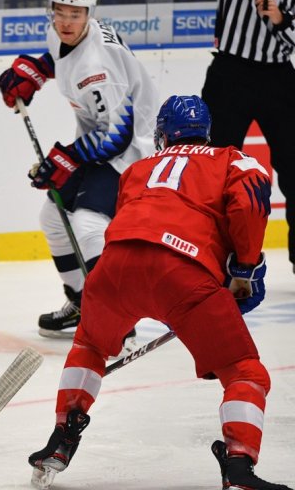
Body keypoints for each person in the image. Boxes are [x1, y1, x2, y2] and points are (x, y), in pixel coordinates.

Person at [28, 95, 292, 490]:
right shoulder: (232, 160)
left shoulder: (138, 168)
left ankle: (62, 440)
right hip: (183, 274)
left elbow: (143, 221)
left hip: (114, 269)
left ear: (163, 136)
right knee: (244, 371)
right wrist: (245, 268)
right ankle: (238, 467)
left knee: (90, 346)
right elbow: (249, 202)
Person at [0, 0, 158, 347]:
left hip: (132, 154)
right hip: (97, 144)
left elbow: (118, 136)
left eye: (76, 13)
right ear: (52, 9)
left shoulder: (100, 66)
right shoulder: (60, 32)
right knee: (53, 217)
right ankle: (82, 301)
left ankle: (117, 318)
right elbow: (58, 55)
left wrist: (67, 158)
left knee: (87, 224)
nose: (67, 21)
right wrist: (35, 72)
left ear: (90, 13)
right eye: (61, 11)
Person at [201, 0, 295, 274]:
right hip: (231, 73)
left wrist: (281, 19)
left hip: (278, 77)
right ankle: (208, 256)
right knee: (212, 173)